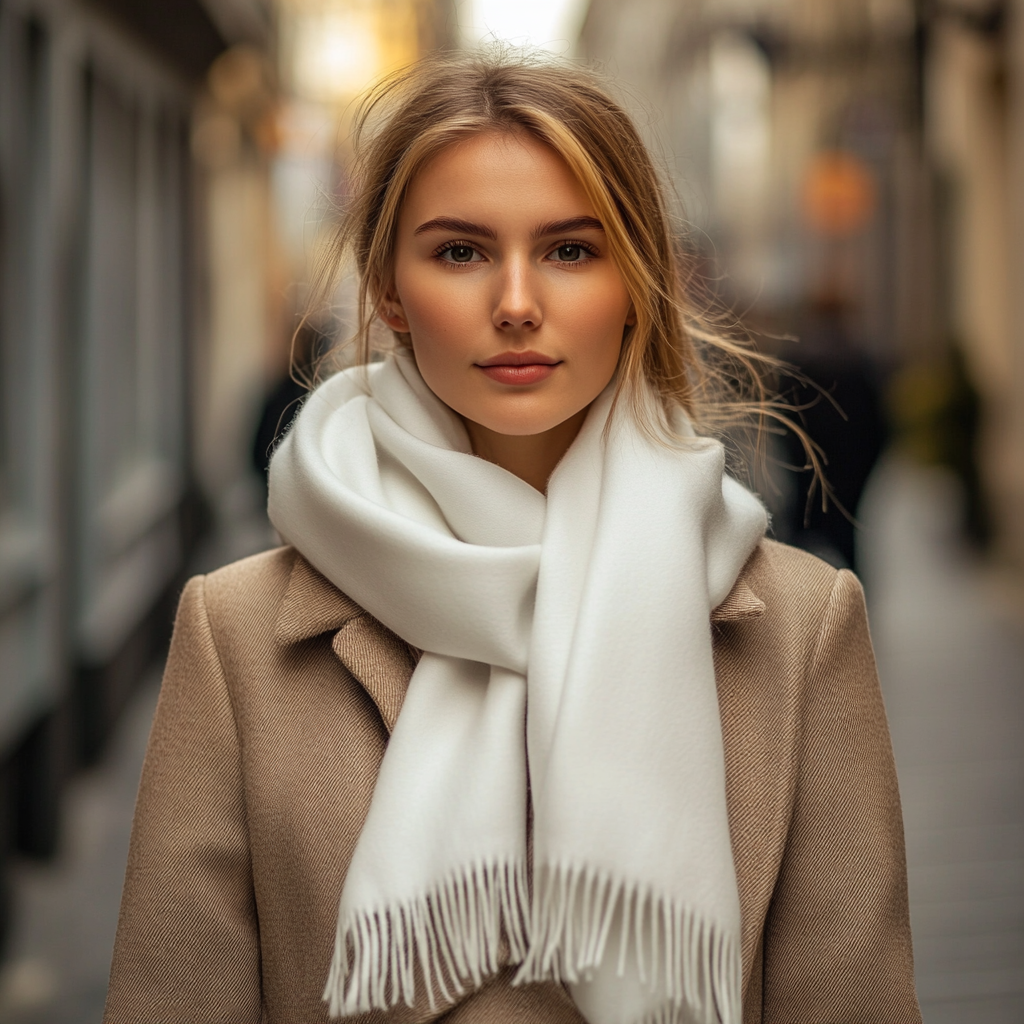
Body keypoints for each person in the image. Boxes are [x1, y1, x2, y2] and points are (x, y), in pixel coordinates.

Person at [103, 52, 921, 1024]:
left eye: (572, 250)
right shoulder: (234, 635)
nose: (518, 301)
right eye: (459, 251)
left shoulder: (801, 627)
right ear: (390, 291)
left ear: (636, 283)